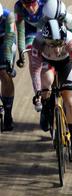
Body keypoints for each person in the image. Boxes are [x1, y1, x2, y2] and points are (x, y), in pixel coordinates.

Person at [31, 19, 72, 162]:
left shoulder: (70, 41)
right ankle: (46, 107)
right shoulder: (38, 42)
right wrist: (38, 93)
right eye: (52, 44)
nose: (57, 49)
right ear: (45, 40)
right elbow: (35, 70)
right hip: (47, 63)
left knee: (69, 98)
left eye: (60, 44)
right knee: (46, 80)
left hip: (66, 64)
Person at [41, 0, 72, 124]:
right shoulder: (42, 22)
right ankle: (45, 106)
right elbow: (39, 43)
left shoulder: (71, 21)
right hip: (52, 49)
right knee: (44, 77)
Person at [0, 3, 17, 131]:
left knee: (4, 72)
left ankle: (8, 112)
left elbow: (9, 41)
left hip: (5, 41)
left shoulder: (8, 16)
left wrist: (8, 62)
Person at [14, 0, 46, 69]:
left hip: (46, 26)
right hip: (31, 31)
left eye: (33, 4)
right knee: (33, 58)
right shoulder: (18, 7)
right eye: (26, 6)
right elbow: (21, 32)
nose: (31, 9)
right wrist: (21, 53)